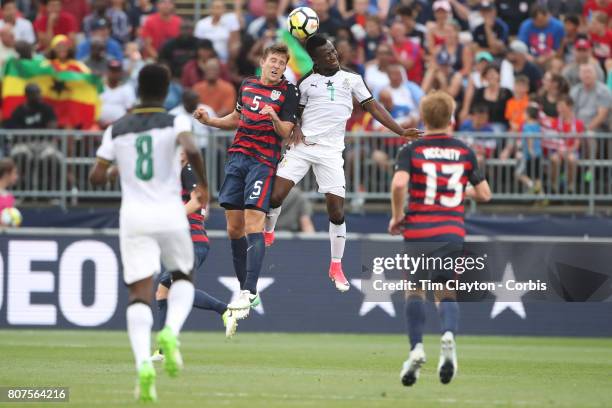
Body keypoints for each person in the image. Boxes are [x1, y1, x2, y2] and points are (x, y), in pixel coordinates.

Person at [88, 64, 213, 402]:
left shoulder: (117, 129)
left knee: (139, 293)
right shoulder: (176, 121)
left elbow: (95, 178)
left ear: (138, 90)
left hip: (133, 218)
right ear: (164, 91)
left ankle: (144, 363)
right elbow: (193, 148)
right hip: (169, 213)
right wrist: (203, 184)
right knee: (183, 276)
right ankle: (170, 332)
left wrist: (117, 168)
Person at [263, 35, 421, 292]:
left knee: (336, 211)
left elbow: (374, 107)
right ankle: (268, 231)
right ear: (315, 59)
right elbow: (295, 114)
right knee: (275, 197)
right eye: (326, 54)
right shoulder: (306, 83)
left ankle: (336, 265)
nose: (333, 56)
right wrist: (297, 126)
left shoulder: (352, 79)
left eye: (333, 51)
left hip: (332, 153)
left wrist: (400, 131)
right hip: (303, 148)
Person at [389, 90, 491, 387]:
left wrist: (397, 216)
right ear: (451, 118)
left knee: (415, 290)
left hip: (419, 229)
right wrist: (460, 191)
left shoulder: (412, 149)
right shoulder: (464, 150)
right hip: (450, 229)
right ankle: (448, 336)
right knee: (446, 291)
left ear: (424, 117)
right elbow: (484, 194)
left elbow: (398, 185)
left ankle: (416, 348)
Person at [193, 43, 299, 319]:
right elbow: (238, 118)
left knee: (254, 222)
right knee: (233, 229)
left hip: (263, 162)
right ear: (263, 62)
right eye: (273, 60)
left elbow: (287, 131)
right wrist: (211, 121)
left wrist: (274, 116)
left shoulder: (288, 91)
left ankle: (249, 291)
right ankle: (245, 289)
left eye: (282, 63)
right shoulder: (248, 84)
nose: (277, 66)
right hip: (237, 158)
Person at [152, 150, 238, 353]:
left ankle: (225, 310)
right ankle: (164, 349)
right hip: (189, 242)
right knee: (163, 292)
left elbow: (197, 201)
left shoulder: (188, 170)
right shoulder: (186, 175)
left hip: (191, 242)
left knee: (176, 290)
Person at [570, 63, 612, 132]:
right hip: (577, 128)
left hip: (598, 129)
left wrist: (586, 129)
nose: (587, 75)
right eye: (584, 72)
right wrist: (575, 128)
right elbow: (571, 111)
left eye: (589, 72)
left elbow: (602, 115)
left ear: (595, 74)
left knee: (590, 134)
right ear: (579, 75)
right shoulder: (575, 91)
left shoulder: (604, 91)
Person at [99, 59, 136, 127]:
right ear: (107, 72)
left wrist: (116, 124)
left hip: (121, 127)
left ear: (121, 73)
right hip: (98, 127)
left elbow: (130, 111)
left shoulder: (127, 89)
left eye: (116, 71)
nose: (114, 74)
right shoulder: (99, 87)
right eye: (112, 71)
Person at [518, 103, 543, 194]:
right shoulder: (537, 125)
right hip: (538, 153)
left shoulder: (527, 126)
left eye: (524, 113)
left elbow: (530, 137)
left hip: (529, 154)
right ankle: (542, 196)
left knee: (518, 174)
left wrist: (530, 149)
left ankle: (532, 185)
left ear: (528, 115)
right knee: (537, 176)